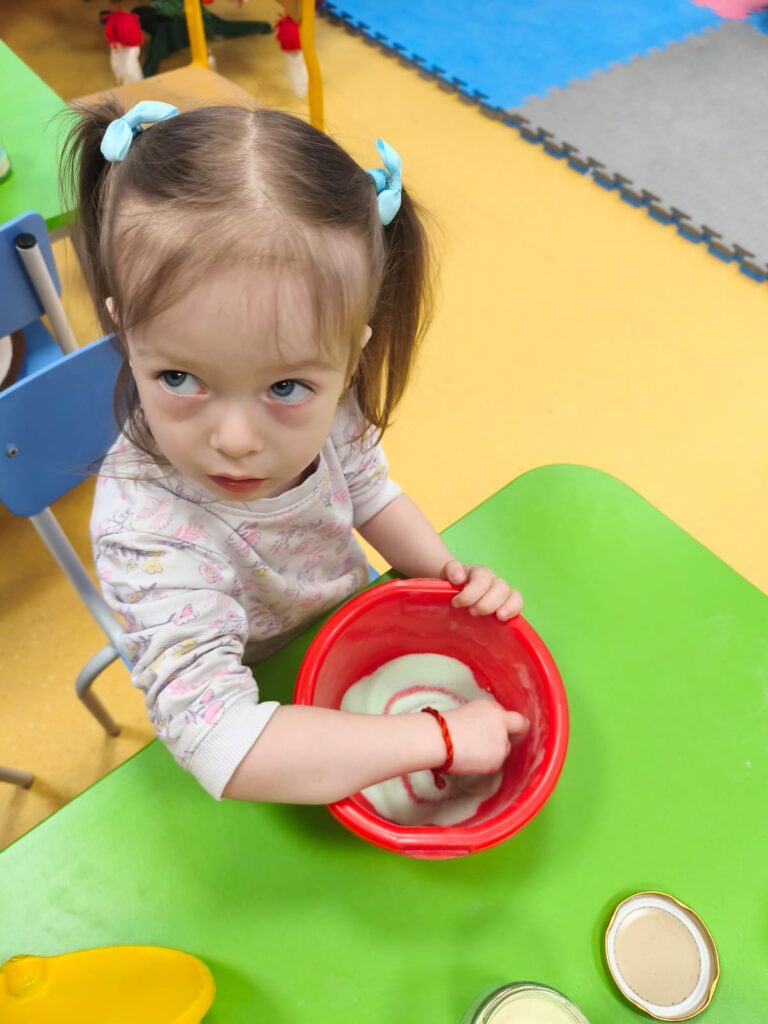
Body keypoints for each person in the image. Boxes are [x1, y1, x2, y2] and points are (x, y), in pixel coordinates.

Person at [61, 99, 528, 808]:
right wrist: (437, 736)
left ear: (349, 359)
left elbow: (368, 490)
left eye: (284, 387)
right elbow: (222, 742)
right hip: (266, 705)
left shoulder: (331, 406)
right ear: (126, 333)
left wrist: (444, 578)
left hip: (349, 631)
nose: (236, 440)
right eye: (179, 378)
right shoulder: (145, 532)